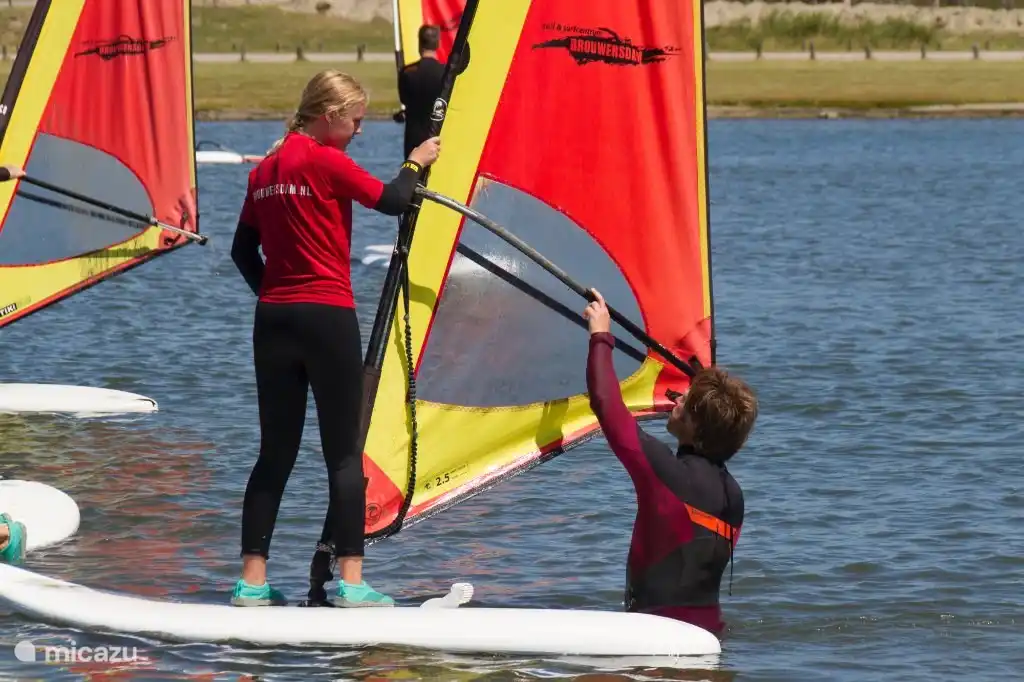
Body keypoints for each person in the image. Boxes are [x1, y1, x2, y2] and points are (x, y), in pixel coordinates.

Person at [229, 69, 441, 608]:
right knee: (344, 456)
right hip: (327, 317)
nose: (359, 131)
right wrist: (418, 158)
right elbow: (394, 200)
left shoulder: (265, 171)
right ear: (329, 118)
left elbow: (241, 251)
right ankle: (351, 583)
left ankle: (251, 583)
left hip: (274, 320)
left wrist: (274, 293)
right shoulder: (325, 160)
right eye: (355, 121)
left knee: (273, 455)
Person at [582, 290, 758, 637]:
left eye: (682, 402)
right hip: (709, 636)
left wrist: (601, 335)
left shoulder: (668, 473)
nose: (673, 401)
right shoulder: (733, 495)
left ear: (696, 425)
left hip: (655, 634)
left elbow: (606, 404)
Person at [397, 25, 445, 158]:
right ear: (437, 43)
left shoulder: (407, 72)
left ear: (419, 42)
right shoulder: (446, 73)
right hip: (437, 138)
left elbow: (404, 99)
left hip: (413, 140)